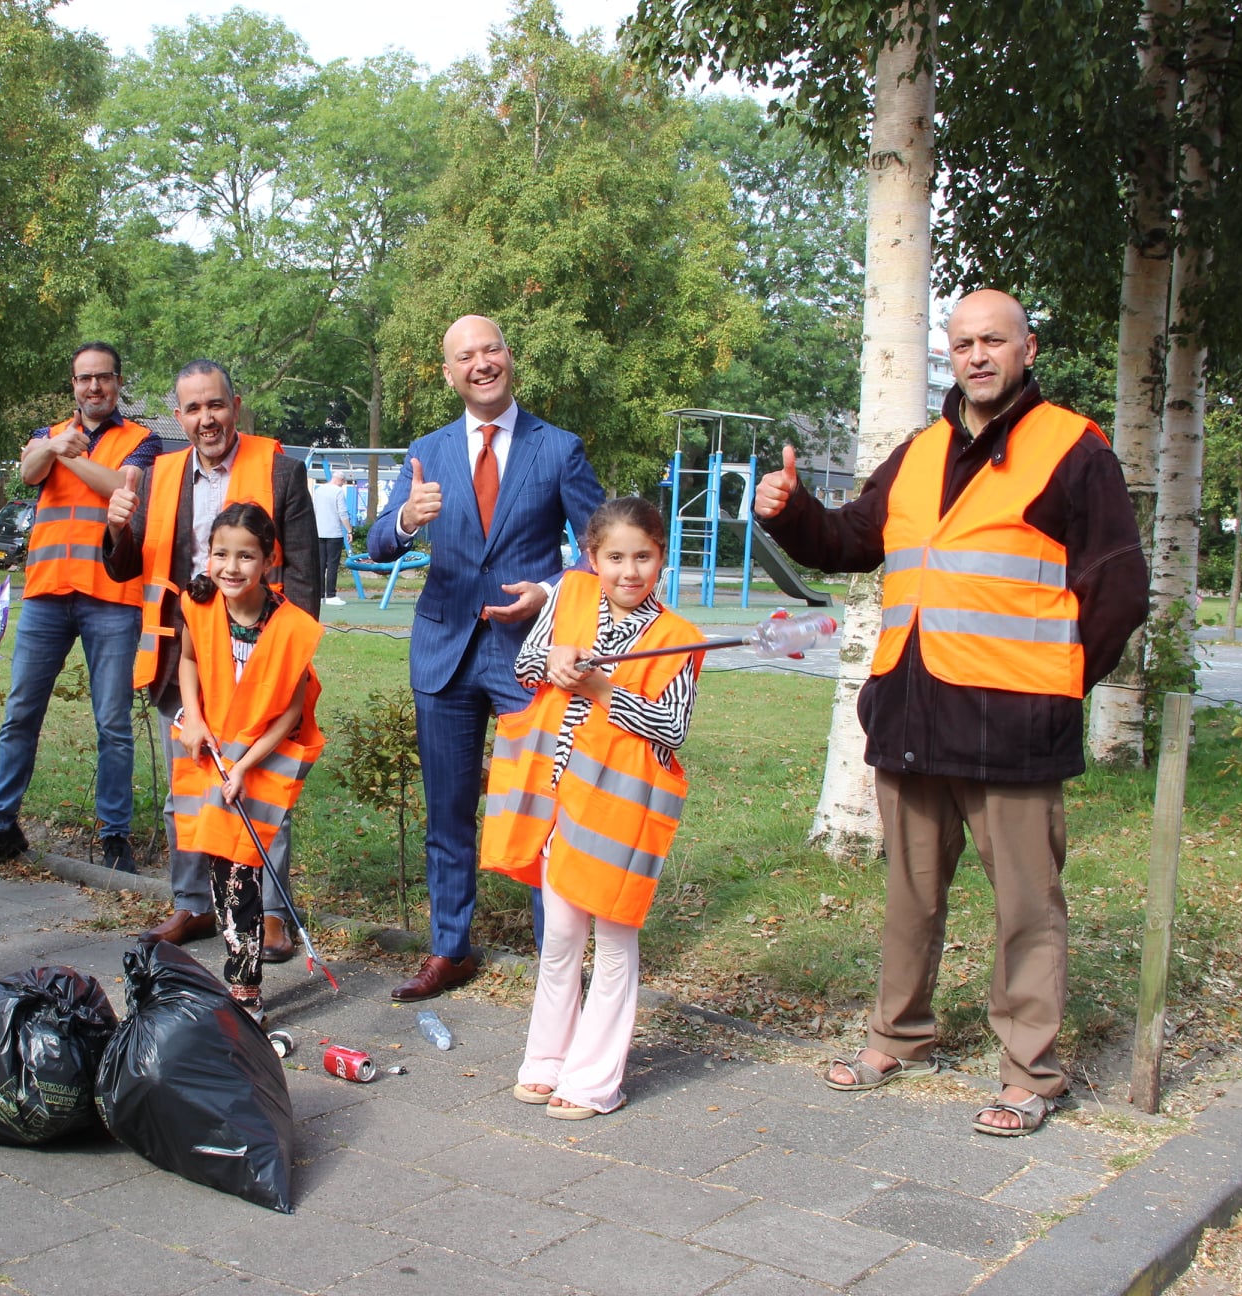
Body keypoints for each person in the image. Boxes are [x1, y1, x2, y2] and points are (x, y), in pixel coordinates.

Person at [754, 289, 1147, 1137]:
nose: (977, 355)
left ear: (1027, 349)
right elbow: (854, 540)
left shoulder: (1075, 451)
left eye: (994, 341)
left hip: (1016, 726)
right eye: (963, 341)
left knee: (1027, 909)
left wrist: (1058, 683)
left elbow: (1118, 588)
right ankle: (899, 1035)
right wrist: (792, 514)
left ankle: (1030, 1074)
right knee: (910, 897)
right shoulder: (918, 454)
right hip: (913, 712)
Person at [369, 315, 605, 1002]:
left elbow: (599, 547)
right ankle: (450, 949)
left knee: (541, 810)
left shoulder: (557, 449)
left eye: (490, 349)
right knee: (447, 812)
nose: (480, 363)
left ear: (510, 357)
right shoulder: (427, 451)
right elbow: (380, 540)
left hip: (528, 656)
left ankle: (554, 960)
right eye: (464, 356)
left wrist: (551, 591)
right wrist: (408, 518)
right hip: (443, 652)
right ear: (449, 374)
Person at [482, 497, 700, 1118]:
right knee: (560, 939)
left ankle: (596, 1080)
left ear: (661, 557)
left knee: (613, 945)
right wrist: (553, 663)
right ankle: (549, 1061)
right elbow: (528, 664)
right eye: (615, 557)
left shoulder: (676, 638)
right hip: (555, 804)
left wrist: (604, 687)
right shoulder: (569, 596)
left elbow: (672, 727)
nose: (628, 571)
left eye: (643, 557)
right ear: (592, 557)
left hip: (618, 816)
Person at [103, 360, 320, 961]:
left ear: (236, 404)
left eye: (216, 406)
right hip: (186, 656)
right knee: (190, 785)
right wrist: (116, 528)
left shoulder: (281, 471)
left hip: (261, 653)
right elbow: (124, 566)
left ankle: (271, 912)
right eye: (193, 409)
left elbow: (303, 572)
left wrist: (289, 657)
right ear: (178, 416)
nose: (207, 419)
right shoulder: (156, 477)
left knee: (262, 783)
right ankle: (194, 903)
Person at [0, 343, 164, 875]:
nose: (94, 387)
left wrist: (69, 454)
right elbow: (26, 472)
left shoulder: (142, 440)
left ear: (117, 383)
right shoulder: (49, 434)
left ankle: (115, 837)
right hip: (47, 594)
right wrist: (53, 447)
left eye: (104, 378)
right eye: (84, 378)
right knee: (20, 715)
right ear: (73, 384)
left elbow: (124, 487)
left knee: (112, 723)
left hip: (109, 597)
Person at [169, 502, 326, 1021]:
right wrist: (192, 718)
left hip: (264, 753)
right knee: (222, 862)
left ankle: (246, 992)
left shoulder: (292, 627)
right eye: (220, 554)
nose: (231, 567)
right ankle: (240, 978)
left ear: (268, 560)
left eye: (246, 556)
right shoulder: (198, 604)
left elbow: (291, 712)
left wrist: (244, 766)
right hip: (210, 745)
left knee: (243, 865)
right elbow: (188, 659)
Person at [312, 469, 354, 606]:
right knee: (332, 565)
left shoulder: (318, 490)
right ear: (341, 480)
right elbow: (342, 512)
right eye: (343, 482)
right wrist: (349, 530)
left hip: (319, 532)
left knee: (320, 565)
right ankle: (331, 595)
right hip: (334, 533)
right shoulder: (338, 492)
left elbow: (314, 509)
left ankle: (319, 595)